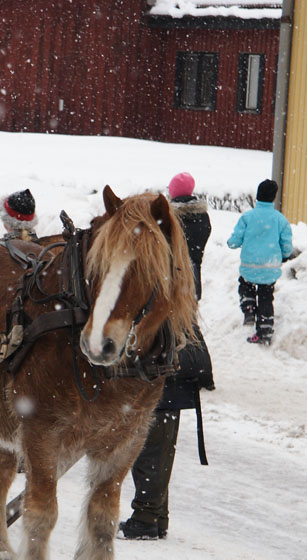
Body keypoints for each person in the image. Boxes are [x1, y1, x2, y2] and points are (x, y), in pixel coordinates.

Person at [119, 171, 215, 540]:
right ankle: (155, 514)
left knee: (151, 435)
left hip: (167, 340)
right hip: (182, 334)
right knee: (163, 435)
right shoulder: (198, 227)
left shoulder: (169, 242)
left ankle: (147, 516)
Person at [227, 179, 293, 346]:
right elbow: (286, 245)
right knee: (266, 297)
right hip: (270, 267)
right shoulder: (280, 219)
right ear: (274, 197)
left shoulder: (248, 217)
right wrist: (285, 255)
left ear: (257, 196)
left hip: (249, 265)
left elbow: (234, 241)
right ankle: (264, 331)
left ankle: (249, 307)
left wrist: (232, 243)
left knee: (245, 284)